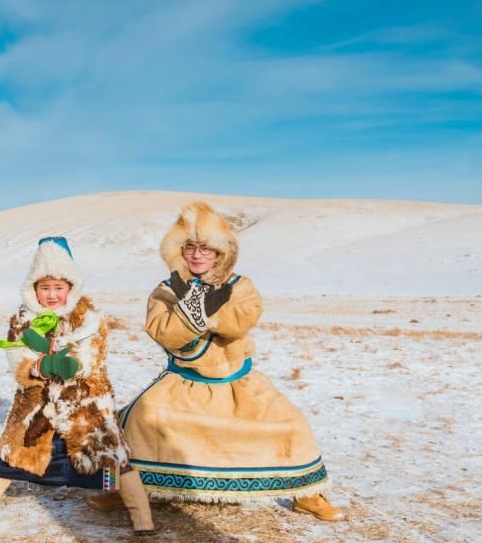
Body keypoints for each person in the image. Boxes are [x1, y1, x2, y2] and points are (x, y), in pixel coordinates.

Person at [89, 202, 346, 521]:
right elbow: (162, 331)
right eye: (190, 247)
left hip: (235, 382)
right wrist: (191, 310)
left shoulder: (241, 286)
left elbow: (241, 321)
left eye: (206, 248)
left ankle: (306, 493)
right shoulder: (166, 289)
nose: (197, 255)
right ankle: (125, 490)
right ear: (179, 252)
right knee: (140, 419)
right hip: (183, 381)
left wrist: (209, 310)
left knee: (290, 424)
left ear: (221, 253)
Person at [0, 236, 156, 534]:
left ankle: (141, 519)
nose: (52, 295)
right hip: (37, 402)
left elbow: (92, 356)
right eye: (45, 288)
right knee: (12, 453)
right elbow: (15, 353)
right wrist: (34, 367)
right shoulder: (22, 318)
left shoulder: (88, 319)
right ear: (34, 289)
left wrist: (70, 365)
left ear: (71, 287)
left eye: (58, 287)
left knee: (111, 459)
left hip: (86, 402)